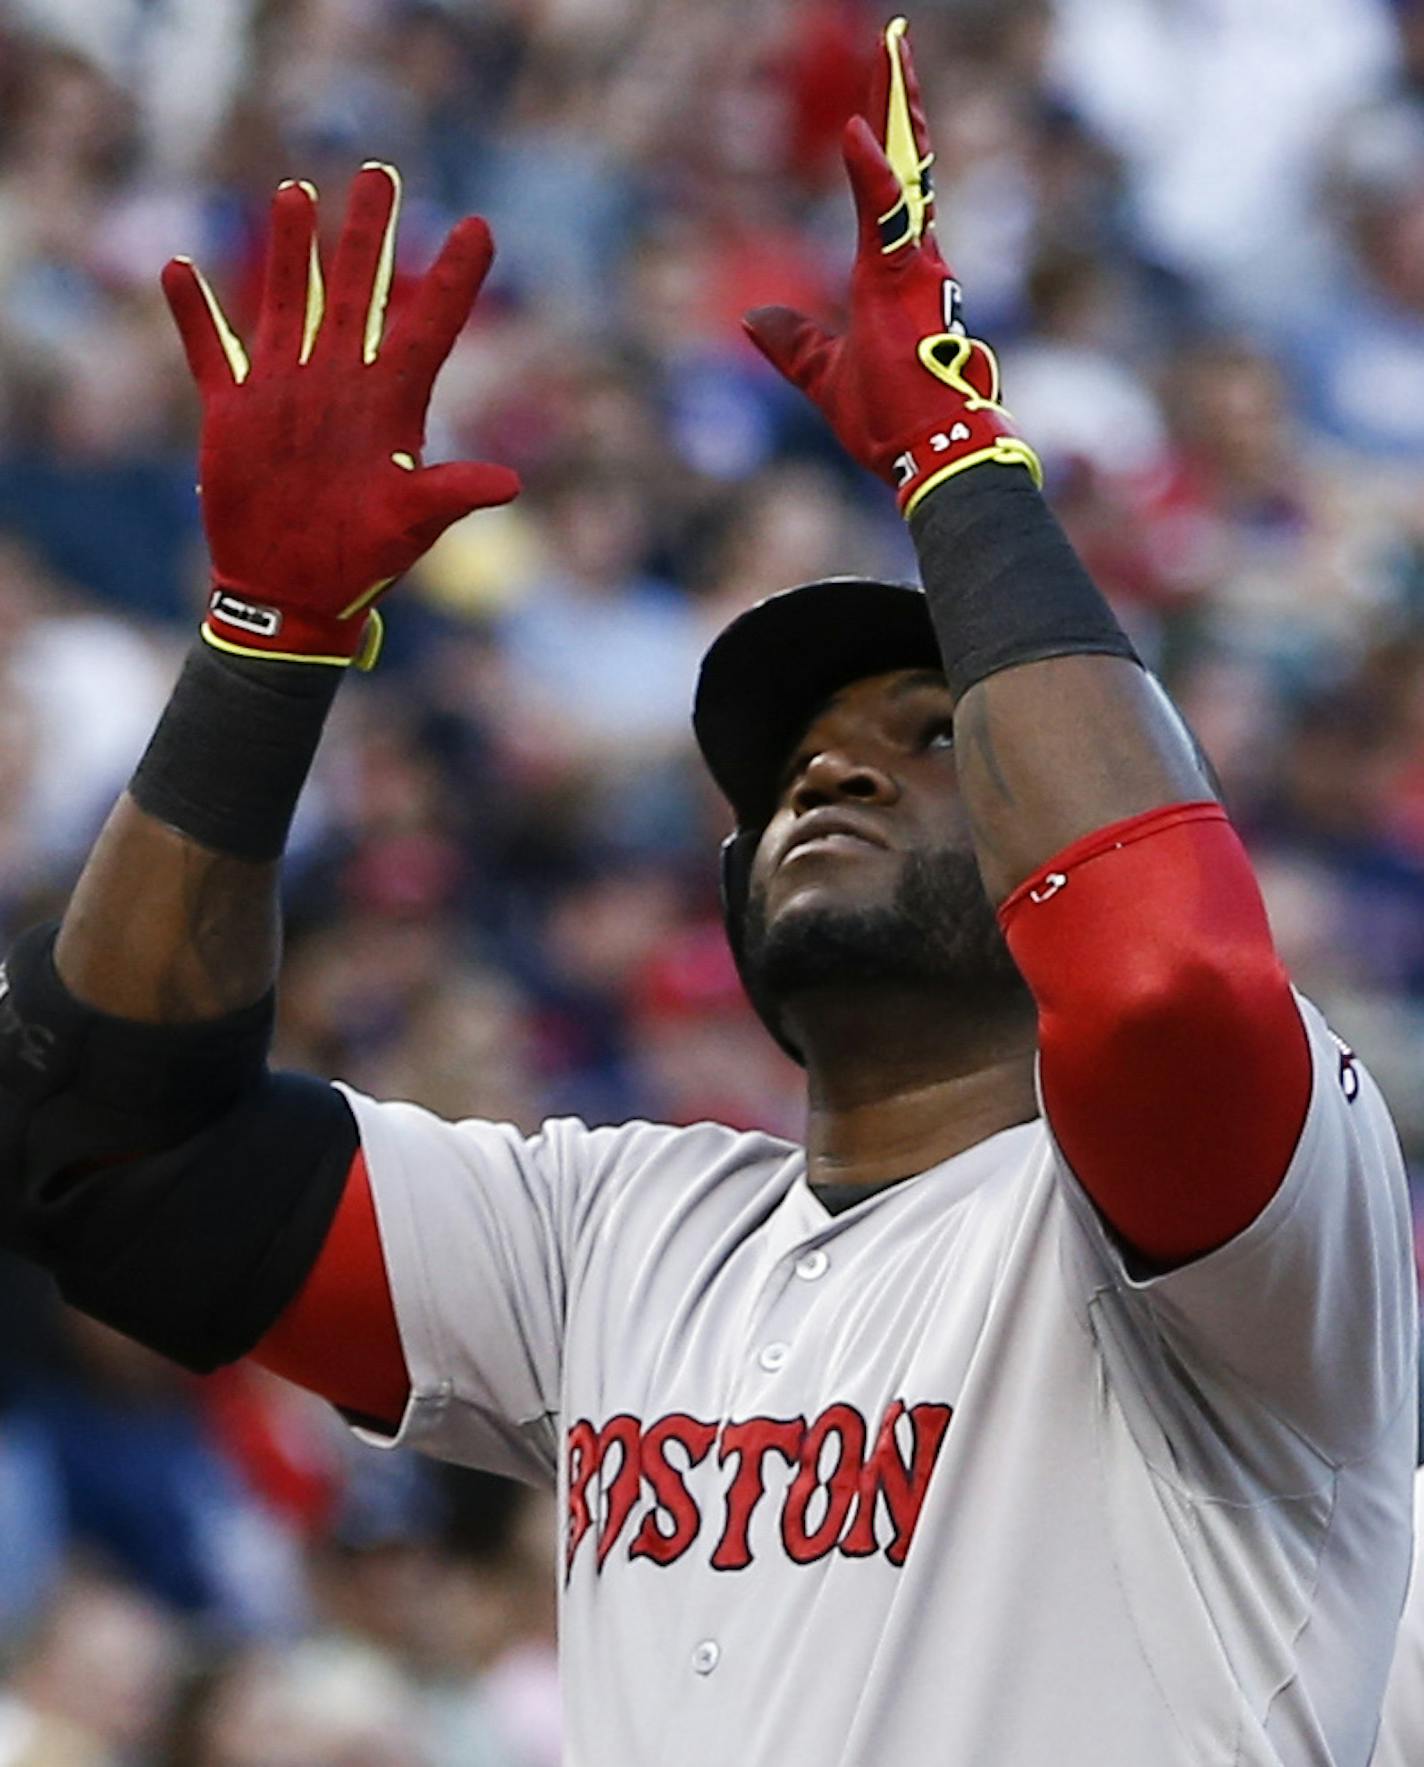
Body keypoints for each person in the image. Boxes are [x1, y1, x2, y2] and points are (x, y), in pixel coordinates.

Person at [0, 22, 1415, 1766]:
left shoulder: (1263, 1242)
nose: (832, 768)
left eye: (931, 735)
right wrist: (263, 656)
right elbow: (102, 1149)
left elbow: (1163, 987)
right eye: (793, 764)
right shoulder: (612, 1242)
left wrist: (964, 465)